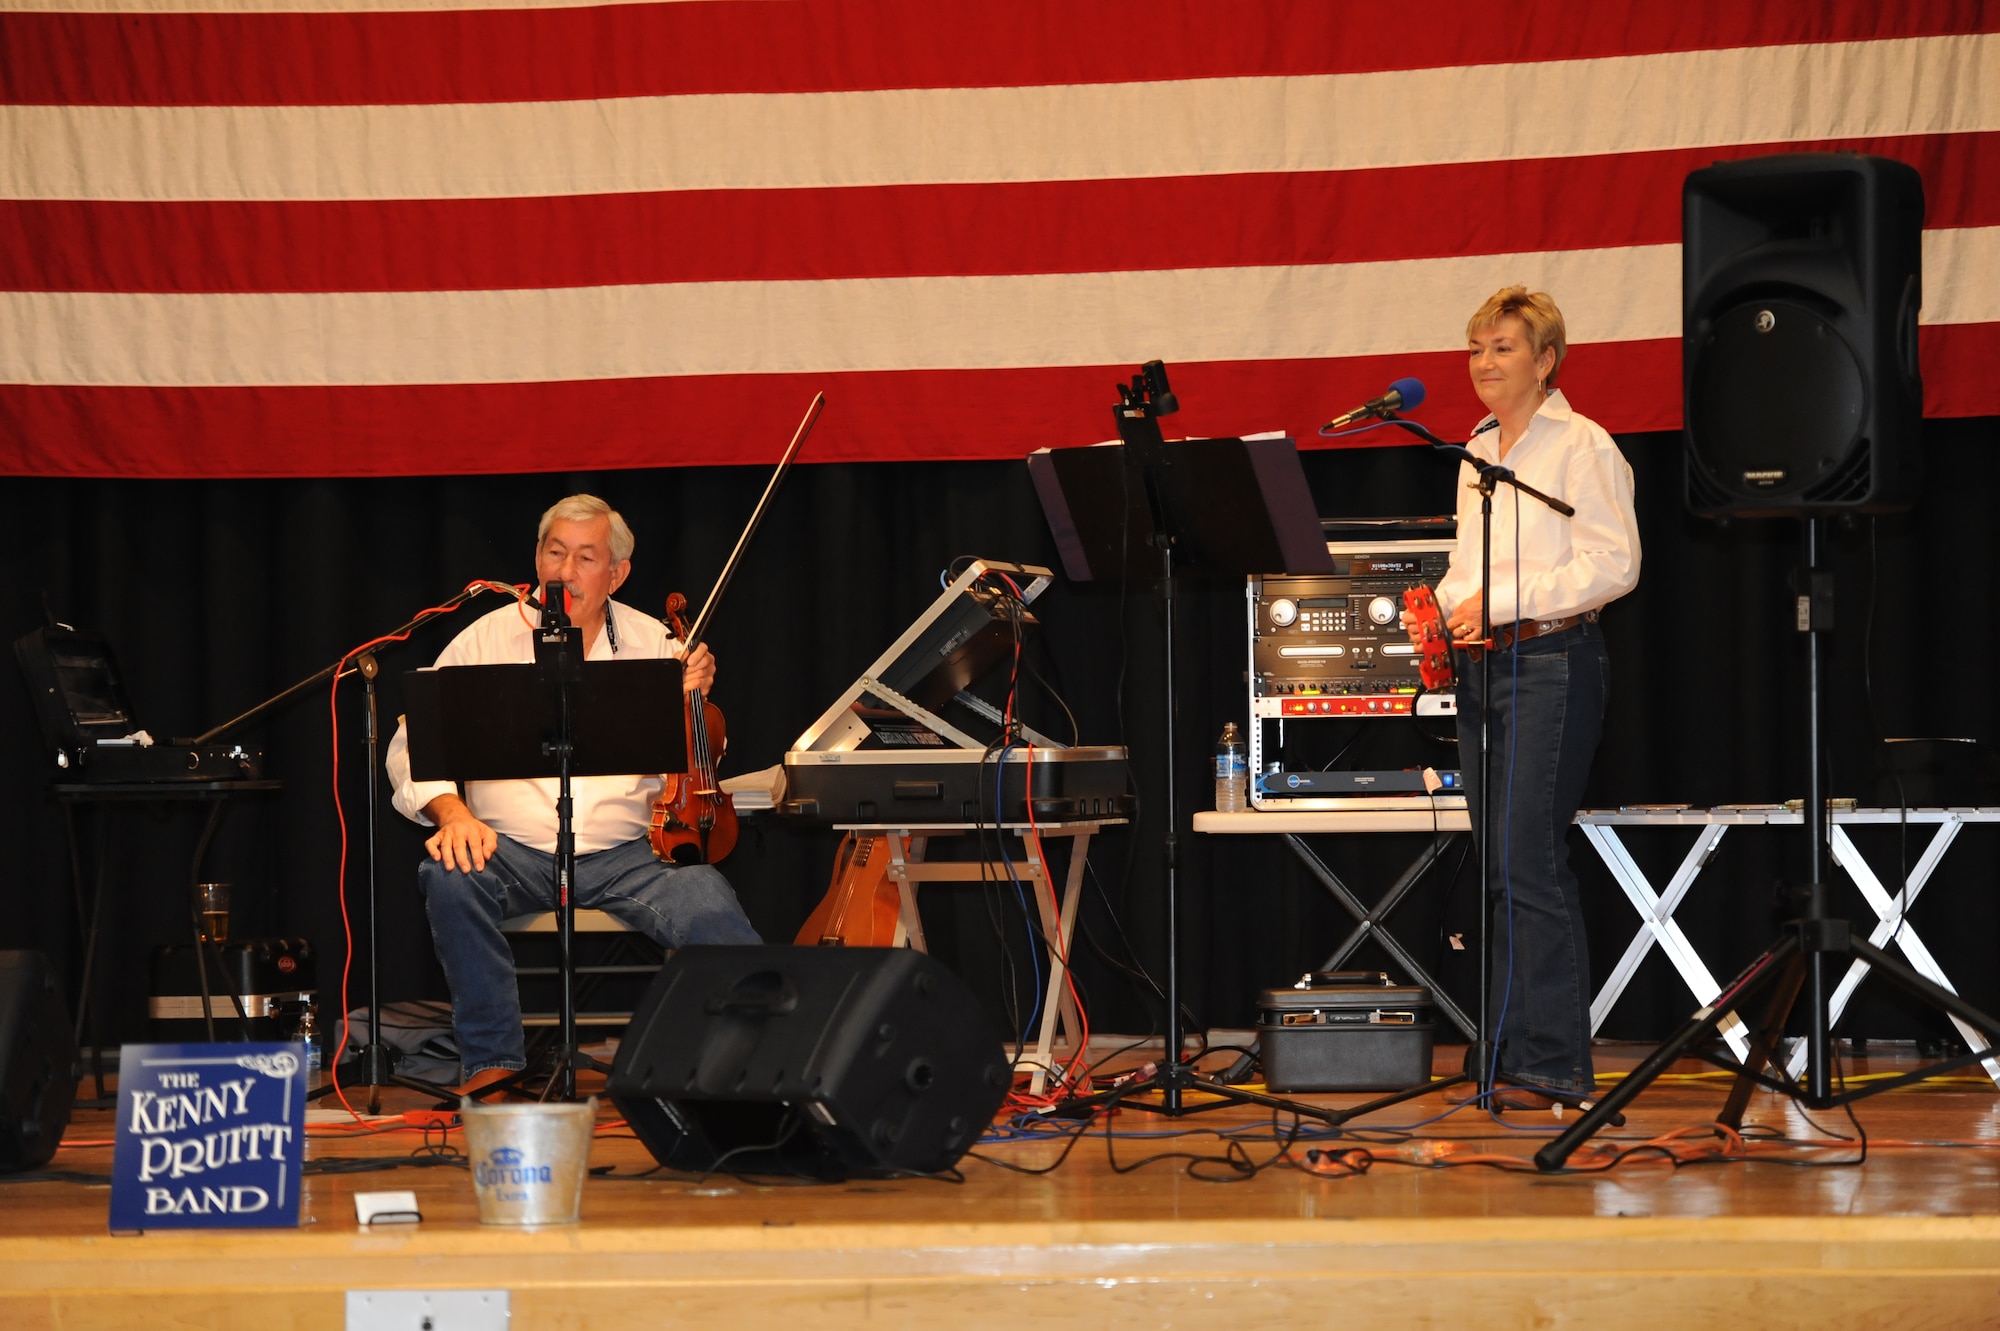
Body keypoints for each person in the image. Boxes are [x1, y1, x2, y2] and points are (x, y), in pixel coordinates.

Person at [386, 494, 761, 1097]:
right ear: (536, 556)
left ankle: (749, 1069)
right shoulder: (484, 640)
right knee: (450, 875)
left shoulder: (657, 643)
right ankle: (493, 1062)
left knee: (708, 899)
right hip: (511, 848)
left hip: (633, 852)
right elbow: (412, 741)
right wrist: (452, 813)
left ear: (616, 573)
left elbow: (701, 762)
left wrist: (693, 699)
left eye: (585, 557)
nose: (564, 571)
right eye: (554, 552)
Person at [1403, 286, 1641, 1110]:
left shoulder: (1583, 446)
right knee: (1498, 870)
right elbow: (1474, 566)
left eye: (1502, 347)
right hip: (1484, 668)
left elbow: (1614, 566)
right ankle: (1504, 1046)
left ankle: (1554, 1060)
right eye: (1475, 348)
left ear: (1546, 361)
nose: (1484, 363)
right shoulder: (1476, 453)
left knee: (1529, 862)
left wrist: (1500, 601)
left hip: (1553, 661)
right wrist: (1438, 608)